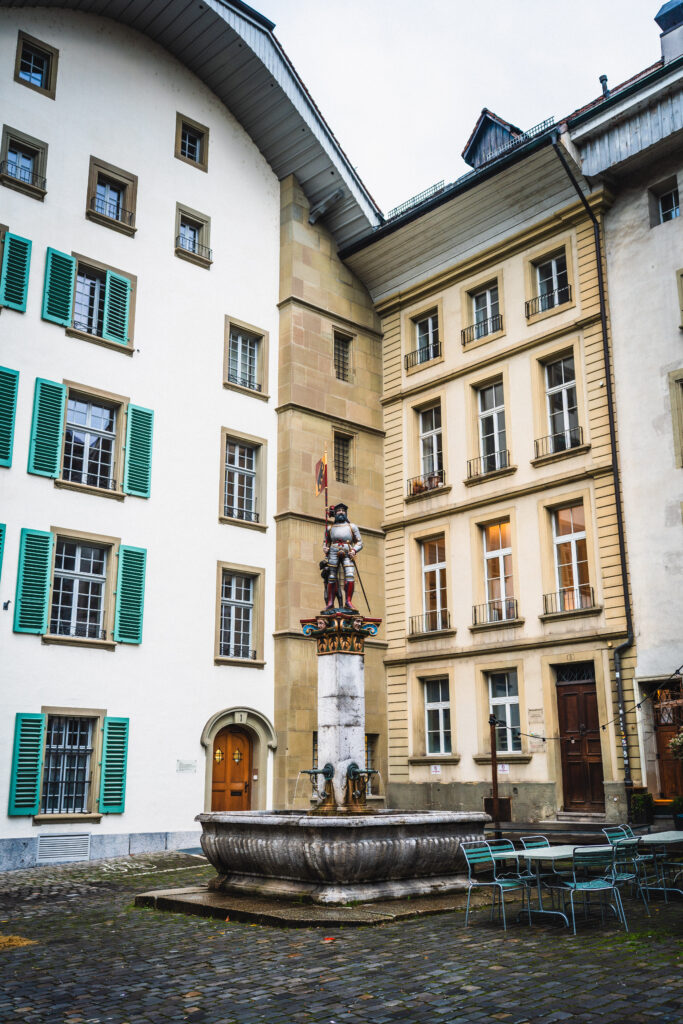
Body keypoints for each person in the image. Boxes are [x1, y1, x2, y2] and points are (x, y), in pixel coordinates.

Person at [321, 503, 363, 613]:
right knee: (331, 576)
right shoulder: (330, 528)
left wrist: (354, 550)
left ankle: (348, 601)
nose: (341, 512)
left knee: (349, 575)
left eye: (343, 510)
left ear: (346, 513)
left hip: (347, 551)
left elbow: (359, 542)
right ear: (335, 513)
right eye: (338, 510)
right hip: (333, 551)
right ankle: (330, 603)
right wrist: (325, 548)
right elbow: (325, 542)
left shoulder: (352, 527)